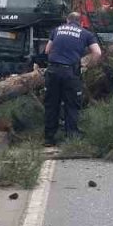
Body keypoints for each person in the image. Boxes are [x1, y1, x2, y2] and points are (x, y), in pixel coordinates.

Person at [43, 12, 102, 147]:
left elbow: (47, 50)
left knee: (52, 104)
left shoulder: (57, 30)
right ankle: (72, 137)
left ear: (67, 20)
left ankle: (49, 138)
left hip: (53, 71)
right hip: (70, 72)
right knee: (72, 104)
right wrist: (87, 64)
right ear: (81, 22)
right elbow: (97, 52)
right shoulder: (86, 33)